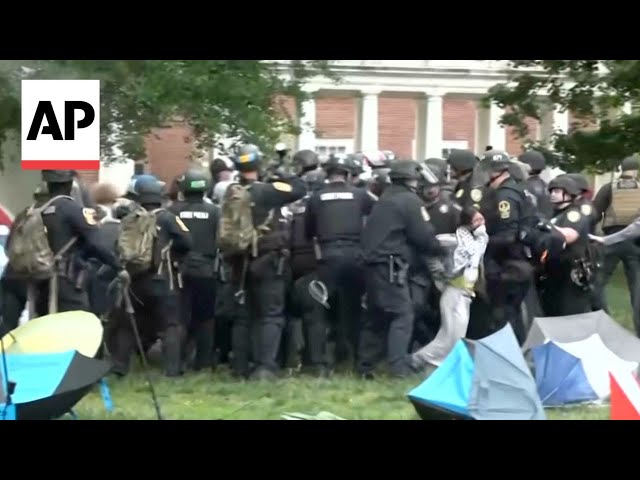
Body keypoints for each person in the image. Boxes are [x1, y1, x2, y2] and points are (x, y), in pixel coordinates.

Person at [357, 160, 444, 378]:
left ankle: (365, 366)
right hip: (390, 265)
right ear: (411, 179)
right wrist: (441, 249)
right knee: (403, 314)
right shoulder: (409, 200)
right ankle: (398, 368)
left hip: (373, 265)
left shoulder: (387, 198)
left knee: (377, 315)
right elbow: (423, 236)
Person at [411, 206, 488, 372]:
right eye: (477, 220)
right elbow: (431, 248)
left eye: (482, 219)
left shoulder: (478, 242)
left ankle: (433, 366)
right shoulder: (453, 241)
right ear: (468, 224)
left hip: (466, 294)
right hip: (454, 293)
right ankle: (418, 359)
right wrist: (440, 274)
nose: (481, 224)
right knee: (452, 337)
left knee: (451, 336)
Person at [592, 155, 640, 335]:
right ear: (636, 171)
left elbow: (594, 213)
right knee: (637, 289)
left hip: (611, 240)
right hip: (636, 243)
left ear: (621, 169)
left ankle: (603, 323)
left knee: (597, 283)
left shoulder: (608, 188)